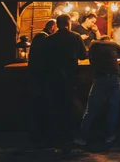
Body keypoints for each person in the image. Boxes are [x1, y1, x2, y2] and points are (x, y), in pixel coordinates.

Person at [75, 36, 120, 146]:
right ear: (108, 40)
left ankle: (82, 138)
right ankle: (109, 136)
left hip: (99, 78)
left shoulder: (93, 46)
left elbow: (90, 60)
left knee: (90, 110)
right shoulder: (112, 44)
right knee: (113, 108)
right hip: (114, 78)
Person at [44, 14, 87, 150]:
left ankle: (56, 137)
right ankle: (70, 135)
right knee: (71, 105)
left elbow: (44, 58)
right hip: (71, 76)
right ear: (69, 23)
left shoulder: (49, 39)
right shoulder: (76, 37)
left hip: (53, 77)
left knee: (56, 105)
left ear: (57, 24)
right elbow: (83, 55)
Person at [28, 19, 57, 146]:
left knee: (40, 106)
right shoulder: (43, 37)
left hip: (38, 76)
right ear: (52, 27)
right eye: (56, 28)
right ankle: (40, 136)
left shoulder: (40, 37)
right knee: (42, 106)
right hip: (41, 77)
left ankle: (39, 136)